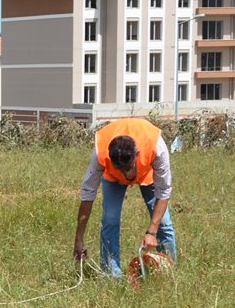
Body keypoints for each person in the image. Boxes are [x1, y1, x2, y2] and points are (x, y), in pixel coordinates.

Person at [72, 116, 176, 275]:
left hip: (147, 173)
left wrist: (151, 232)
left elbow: (164, 191)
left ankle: (167, 271)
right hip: (112, 180)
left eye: (128, 168)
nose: (126, 175)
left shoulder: (156, 146)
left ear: (137, 154)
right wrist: (78, 239)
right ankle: (111, 275)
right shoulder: (100, 152)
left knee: (164, 224)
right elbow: (88, 193)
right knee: (110, 220)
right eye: (120, 169)